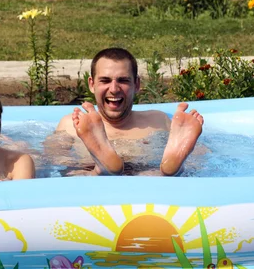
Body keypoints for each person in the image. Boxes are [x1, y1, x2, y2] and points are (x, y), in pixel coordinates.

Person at [49, 47, 204, 176]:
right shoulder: (72, 124)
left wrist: (188, 155)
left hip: (147, 180)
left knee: (150, 174)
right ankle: (101, 169)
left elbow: (47, 166)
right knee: (75, 174)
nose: (114, 89)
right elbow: (53, 164)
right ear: (92, 84)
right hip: (94, 184)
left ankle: (172, 168)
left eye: (123, 80)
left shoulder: (158, 120)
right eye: (105, 80)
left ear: (136, 84)